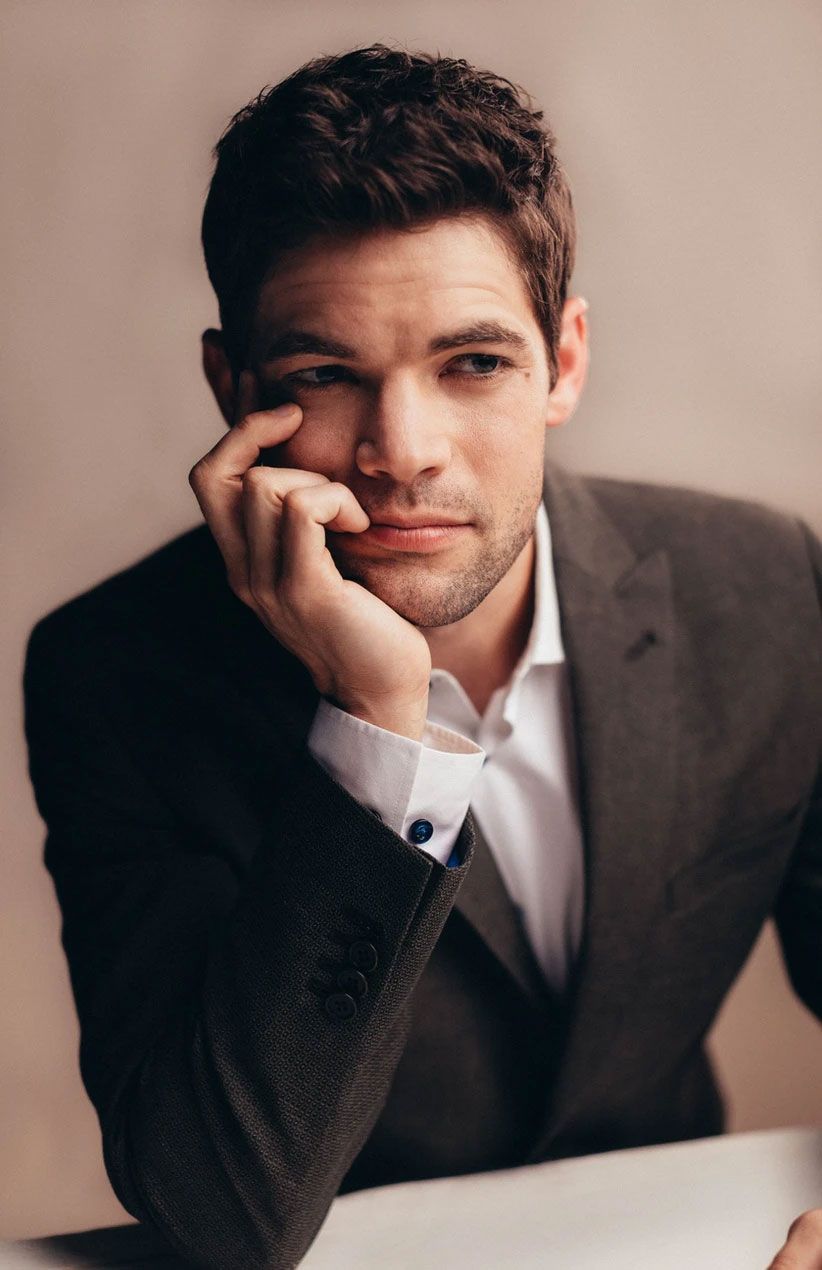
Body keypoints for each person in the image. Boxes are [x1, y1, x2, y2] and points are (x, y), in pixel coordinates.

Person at [22, 42, 821, 1270]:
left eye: (474, 362)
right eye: (326, 374)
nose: (402, 450)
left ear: (563, 362)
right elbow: (219, 1217)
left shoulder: (762, 586)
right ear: (232, 387)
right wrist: (376, 726)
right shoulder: (116, 674)